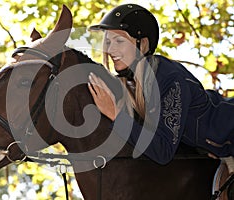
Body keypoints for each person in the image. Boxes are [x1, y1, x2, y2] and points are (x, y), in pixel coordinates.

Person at [87, 3, 234, 165]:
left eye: (119, 41)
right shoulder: (130, 83)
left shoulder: (169, 77)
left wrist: (115, 114)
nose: (110, 49)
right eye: (108, 42)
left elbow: (163, 151)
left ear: (142, 43)